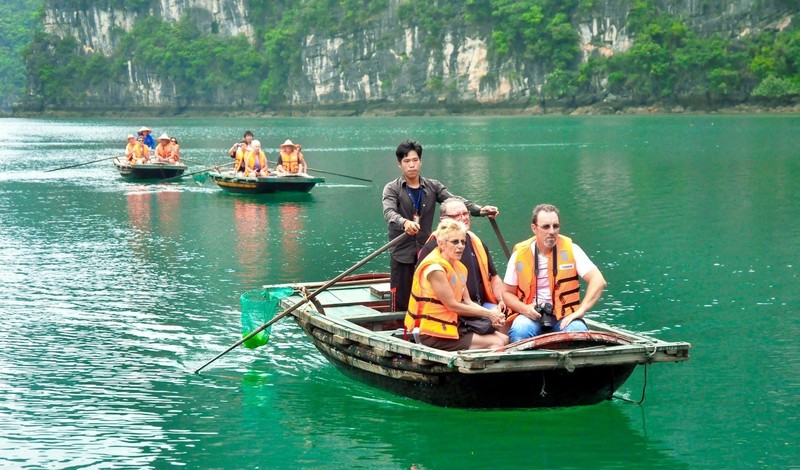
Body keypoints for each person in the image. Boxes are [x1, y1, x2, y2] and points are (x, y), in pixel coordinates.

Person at [382, 139, 498, 313]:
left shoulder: (432, 186)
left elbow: (455, 201)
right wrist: (404, 222)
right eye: (406, 161)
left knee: (430, 293)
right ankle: (400, 331)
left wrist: (480, 210)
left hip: (427, 250)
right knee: (401, 299)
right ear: (399, 165)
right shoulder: (392, 189)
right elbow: (389, 212)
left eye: (415, 160)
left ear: (421, 162)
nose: (411, 165)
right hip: (402, 252)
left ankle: (426, 329)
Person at [502, 204, 607, 343]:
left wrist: (581, 310)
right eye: (546, 227)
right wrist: (525, 309)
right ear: (534, 228)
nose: (552, 231)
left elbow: (598, 281)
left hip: (564, 316)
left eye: (555, 226)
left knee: (577, 332)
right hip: (532, 315)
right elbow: (507, 293)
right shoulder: (519, 255)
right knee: (519, 331)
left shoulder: (571, 249)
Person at [404, 219, 508, 351]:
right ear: (441, 244)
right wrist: (489, 314)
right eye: (455, 242)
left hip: (455, 326)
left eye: (463, 241)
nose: (461, 246)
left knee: (504, 339)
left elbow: (468, 302)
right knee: (496, 343)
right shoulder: (435, 269)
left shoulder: (458, 267)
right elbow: (452, 305)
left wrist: (492, 314)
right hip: (434, 333)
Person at [418, 198, 506, 313]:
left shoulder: (477, 243)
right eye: (456, 215)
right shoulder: (431, 248)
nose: (463, 218)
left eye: (465, 213)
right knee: (492, 320)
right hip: (449, 310)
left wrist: (501, 300)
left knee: (505, 314)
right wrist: (488, 314)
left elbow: (494, 277)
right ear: (443, 220)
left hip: (480, 304)